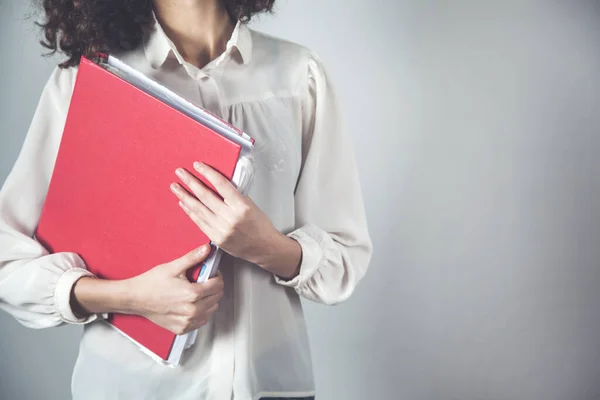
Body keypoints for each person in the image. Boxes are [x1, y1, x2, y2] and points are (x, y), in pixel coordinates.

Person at [0, 0, 372, 399]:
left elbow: (345, 259)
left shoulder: (300, 75)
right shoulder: (89, 78)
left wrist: (267, 247)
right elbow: (8, 261)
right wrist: (128, 298)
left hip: (269, 385)